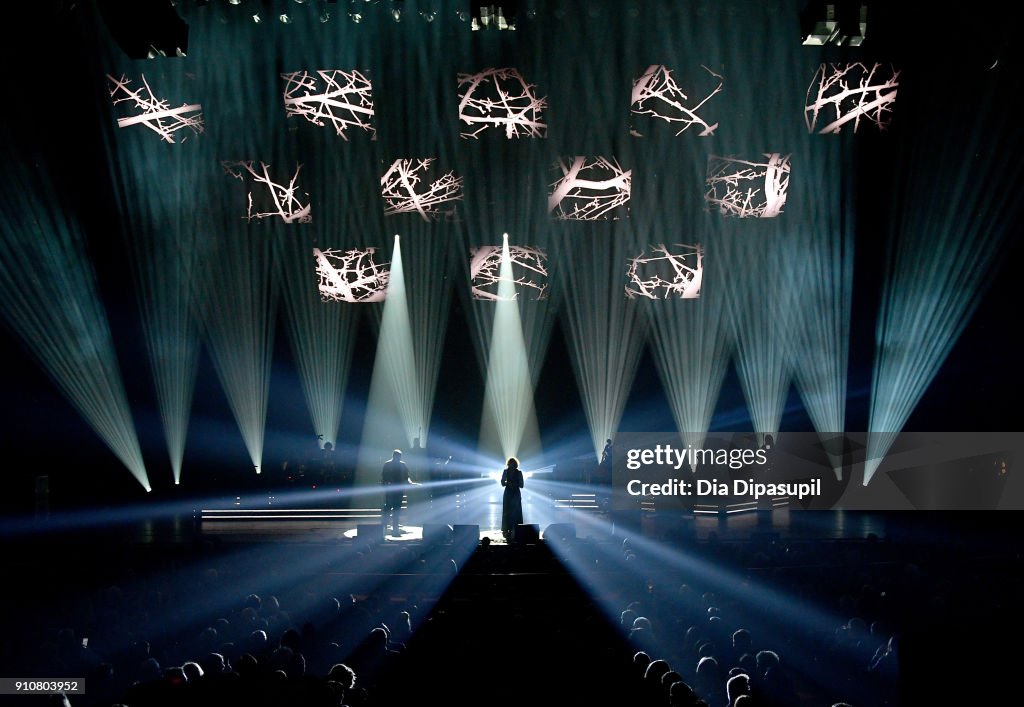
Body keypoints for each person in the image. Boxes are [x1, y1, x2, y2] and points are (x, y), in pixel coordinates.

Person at [382, 450, 413, 536]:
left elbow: (407, 477)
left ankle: (394, 529)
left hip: (398, 490)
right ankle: (384, 527)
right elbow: (384, 477)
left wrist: (410, 483)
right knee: (389, 508)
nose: (399, 458)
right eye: (398, 456)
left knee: (396, 509)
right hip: (390, 489)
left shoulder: (402, 465)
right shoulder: (387, 464)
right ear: (394, 456)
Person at [500, 457, 524, 540]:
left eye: (513, 464)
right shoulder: (505, 472)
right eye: (510, 463)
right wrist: (508, 483)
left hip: (516, 494)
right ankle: (507, 529)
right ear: (508, 464)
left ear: (515, 464)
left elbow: (522, 485)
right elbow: (502, 483)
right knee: (507, 511)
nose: (512, 465)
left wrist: (514, 484)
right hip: (508, 494)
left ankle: (516, 528)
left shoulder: (519, 473)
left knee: (516, 511)